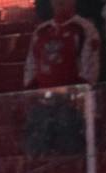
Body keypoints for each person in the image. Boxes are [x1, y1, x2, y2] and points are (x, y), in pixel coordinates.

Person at [22, 0, 98, 157]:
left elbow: (89, 68)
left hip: (70, 105)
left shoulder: (84, 28)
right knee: (37, 154)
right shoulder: (41, 31)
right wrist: (31, 95)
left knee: (69, 152)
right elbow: (31, 65)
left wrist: (79, 96)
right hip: (43, 104)